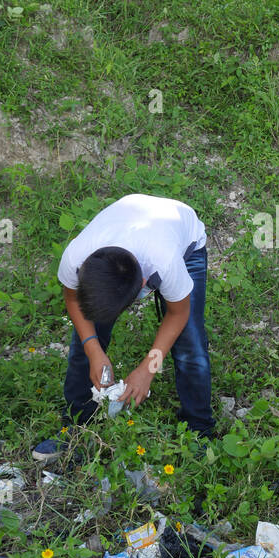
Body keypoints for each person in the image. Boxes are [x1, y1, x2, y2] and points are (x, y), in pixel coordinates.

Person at [33, 193, 215, 461]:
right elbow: (73, 299)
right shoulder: (76, 257)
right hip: (129, 218)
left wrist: (148, 369)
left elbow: (178, 314)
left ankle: (198, 431)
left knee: (190, 343)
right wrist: (94, 350)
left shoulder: (166, 262)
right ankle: (76, 425)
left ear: (143, 287)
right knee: (86, 336)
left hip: (183, 236)